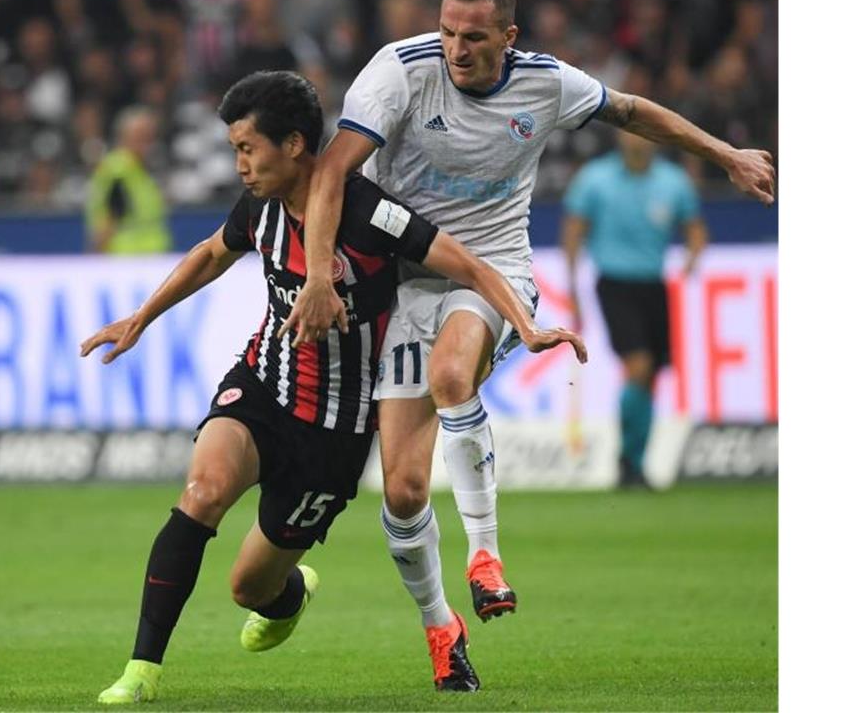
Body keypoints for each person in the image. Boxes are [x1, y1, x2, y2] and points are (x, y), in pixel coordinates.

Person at [279, 0, 775, 686]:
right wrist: (320, 273)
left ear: (508, 38)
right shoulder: (399, 73)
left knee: (453, 374)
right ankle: (441, 629)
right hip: (407, 282)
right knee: (404, 491)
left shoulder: (546, 82)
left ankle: (485, 555)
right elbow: (330, 174)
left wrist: (725, 154)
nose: (456, 47)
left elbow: (634, 111)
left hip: (495, 274)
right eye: (448, 31)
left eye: (474, 37)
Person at [81, 71, 586, 703]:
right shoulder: (258, 206)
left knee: (250, 588)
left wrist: (526, 326)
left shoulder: (371, 213)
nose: (238, 164)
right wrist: (141, 317)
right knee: (202, 491)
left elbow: (466, 263)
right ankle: (141, 671)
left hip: (337, 429)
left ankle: (288, 596)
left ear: (294, 144)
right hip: (265, 385)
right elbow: (212, 253)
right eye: (234, 149)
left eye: (247, 148)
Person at [562, 131, 707, 488]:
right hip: (613, 283)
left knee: (651, 374)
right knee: (638, 365)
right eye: (631, 134)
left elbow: (695, 228)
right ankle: (626, 457)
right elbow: (573, 231)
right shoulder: (595, 179)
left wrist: (692, 254)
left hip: (653, 285)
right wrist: (572, 286)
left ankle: (636, 464)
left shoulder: (673, 183)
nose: (638, 141)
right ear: (620, 139)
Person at [85, 105, 172, 254]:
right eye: (140, 136)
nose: (147, 143)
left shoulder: (140, 169)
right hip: (126, 261)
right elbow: (107, 222)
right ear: (123, 137)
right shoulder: (119, 172)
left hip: (148, 260)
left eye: (149, 136)